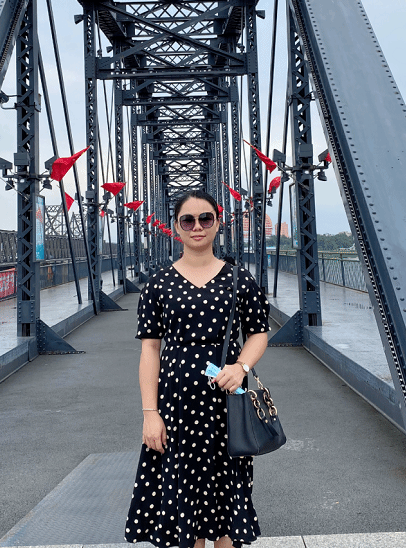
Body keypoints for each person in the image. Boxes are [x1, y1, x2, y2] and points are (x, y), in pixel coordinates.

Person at [125, 190, 270, 548]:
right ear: (176, 227)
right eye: (187, 220)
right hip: (176, 408)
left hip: (226, 405)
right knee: (182, 502)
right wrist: (149, 414)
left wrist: (242, 366)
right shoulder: (158, 283)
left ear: (218, 223)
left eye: (206, 218)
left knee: (226, 497)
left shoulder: (239, 279)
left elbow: (258, 333)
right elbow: (150, 350)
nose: (197, 227)